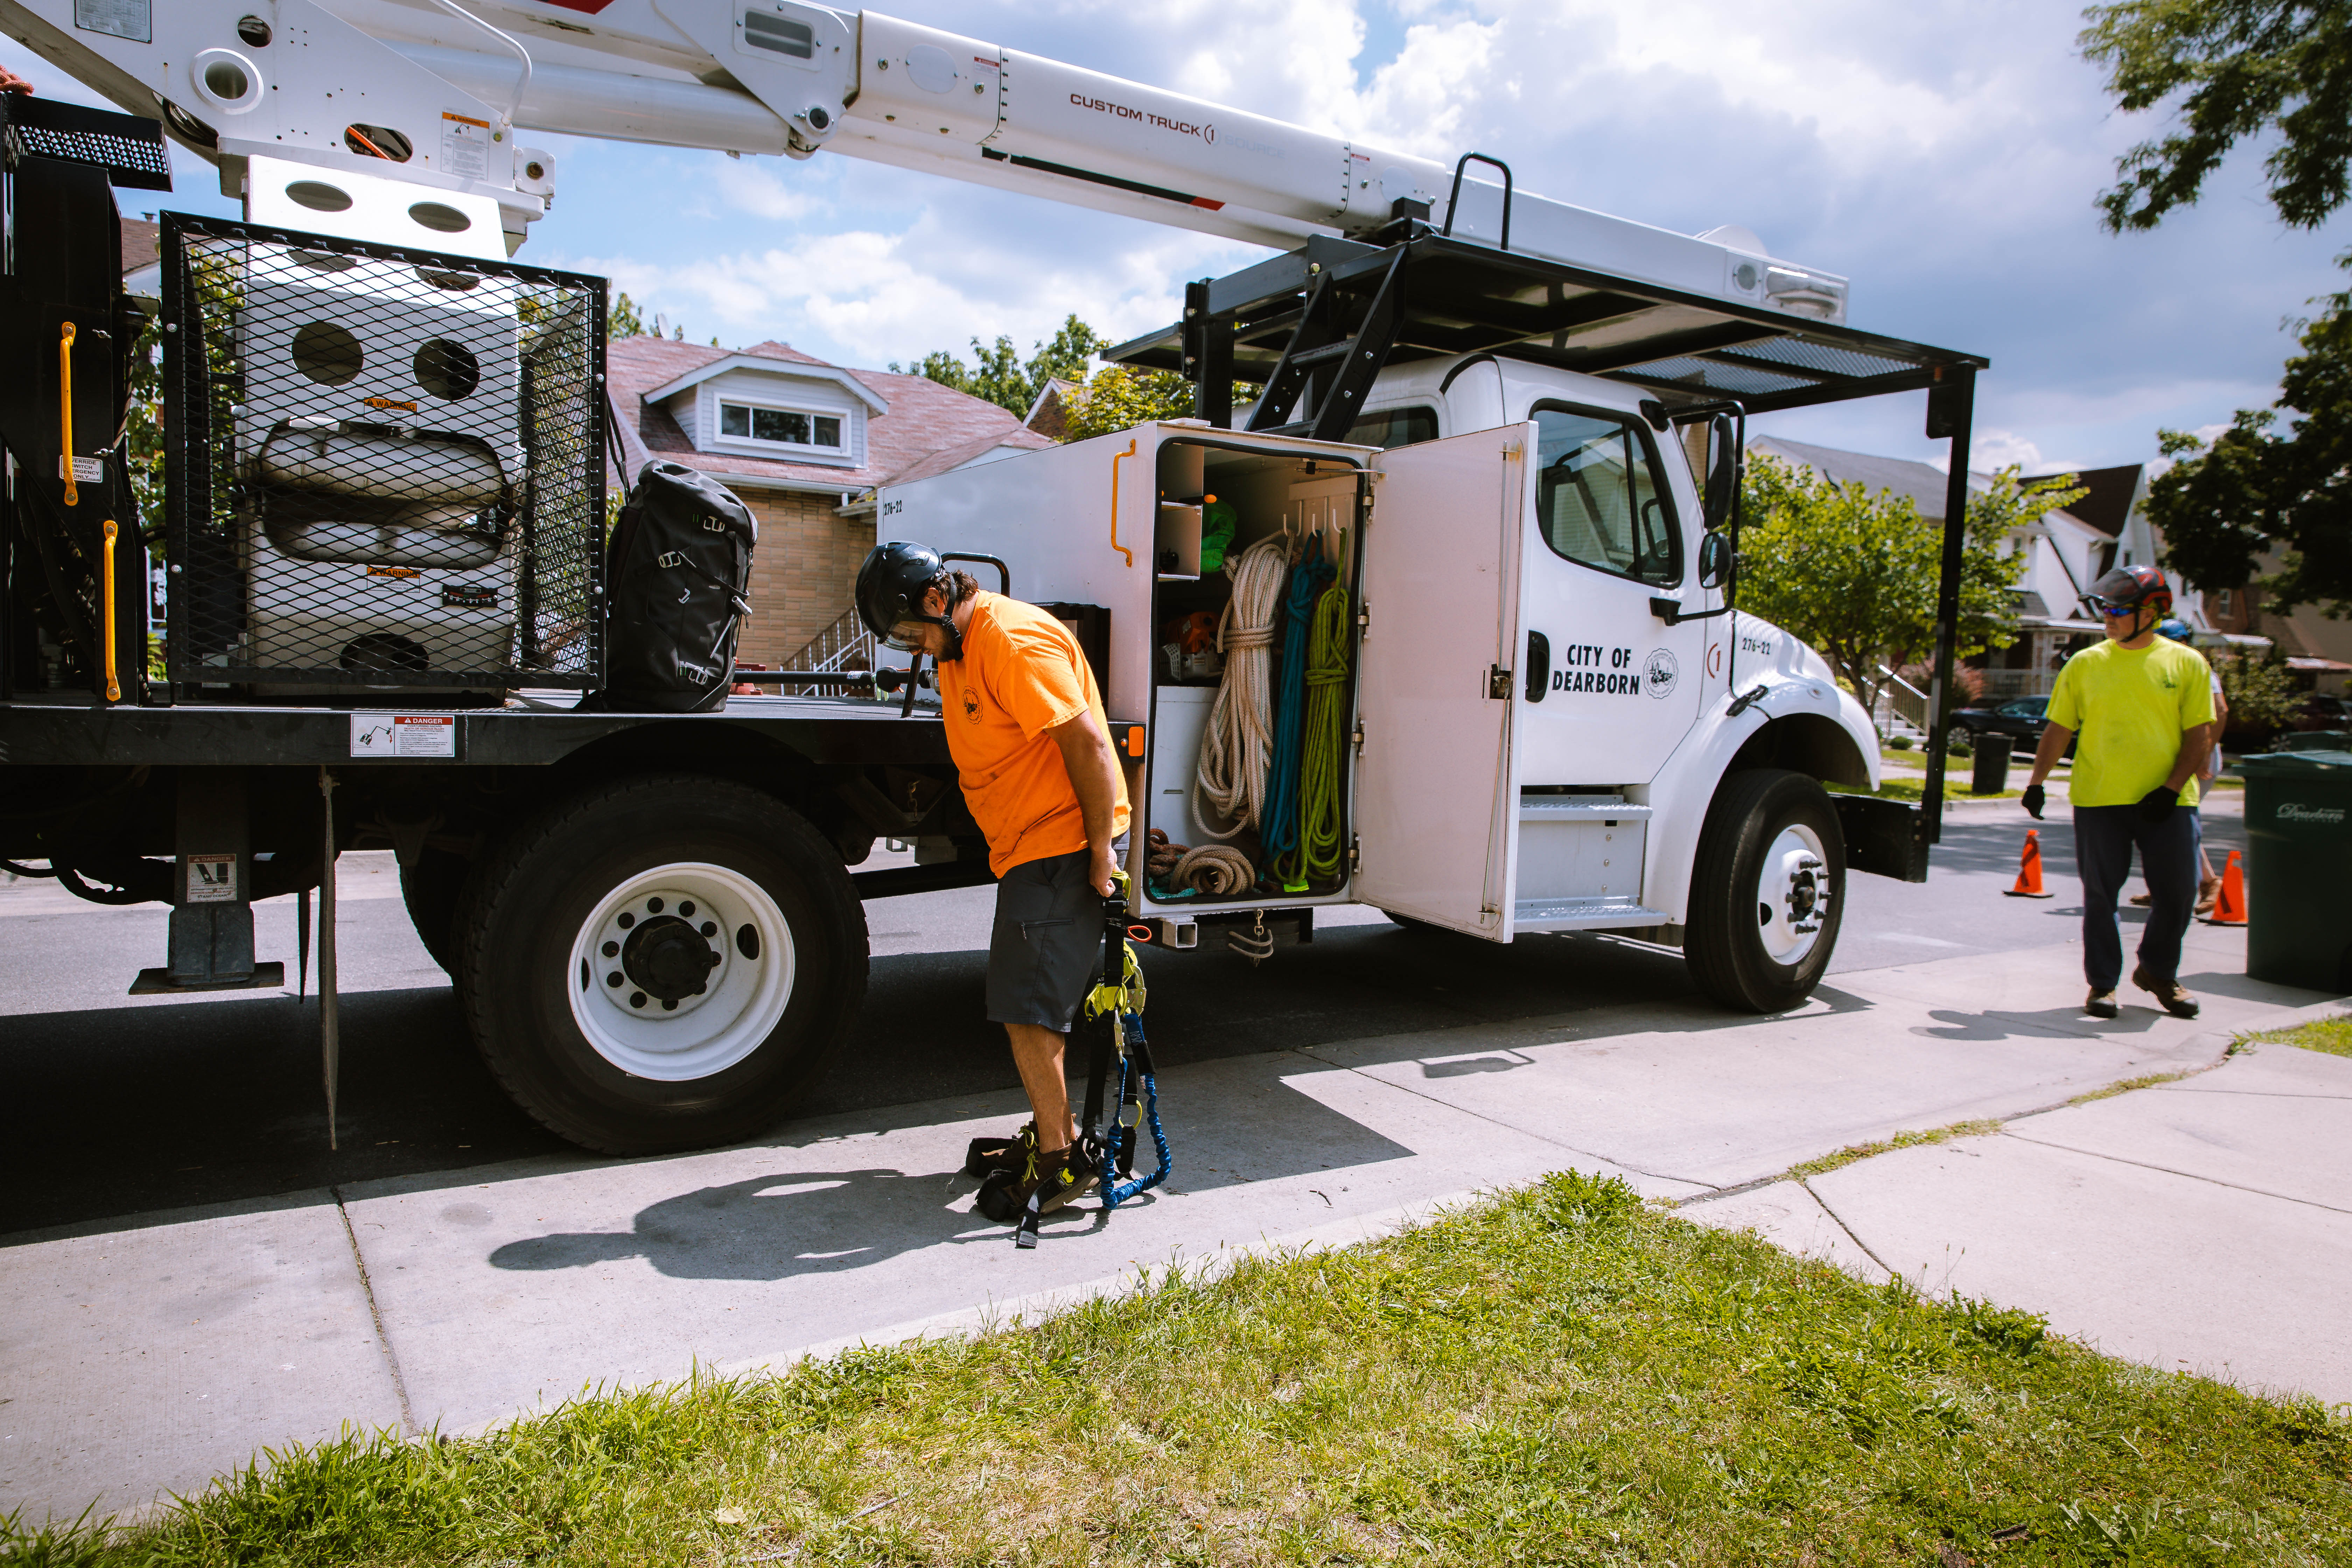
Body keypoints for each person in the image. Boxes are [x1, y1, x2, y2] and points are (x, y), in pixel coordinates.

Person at [854, 542, 1130, 1219]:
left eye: (910, 634)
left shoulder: (1009, 638)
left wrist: (1100, 853)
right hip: (1030, 845)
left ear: (934, 599)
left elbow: (1089, 744)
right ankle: (1054, 1127)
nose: (912, 650)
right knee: (1031, 1004)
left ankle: (1062, 1164)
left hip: (1062, 843)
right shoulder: (959, 644)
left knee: (1027, 1009)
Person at [2021, 565, 2213, 1020]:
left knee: (2180, 892)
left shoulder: (2186, 663)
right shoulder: (2086, 664)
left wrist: (2169, 790)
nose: (2108, 618)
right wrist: (2036, 782)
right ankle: (2103, 985)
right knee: (2101, 896)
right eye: (2105, 609)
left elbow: (2199, 736)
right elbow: (2059, 728)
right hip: (2099, 798)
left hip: (2169, 801)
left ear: (2152, 612)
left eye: (2118, 610)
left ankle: (2158, 972)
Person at [2130, 618, 2226, 916]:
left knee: (2175, 822)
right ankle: (2164, 885)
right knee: (2164, 822)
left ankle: (2209, 883)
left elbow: (2219, 710)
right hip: (2179, 755)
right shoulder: (2170, 666)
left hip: (2194, 757)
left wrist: (2204, 754)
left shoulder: (2195, 666)